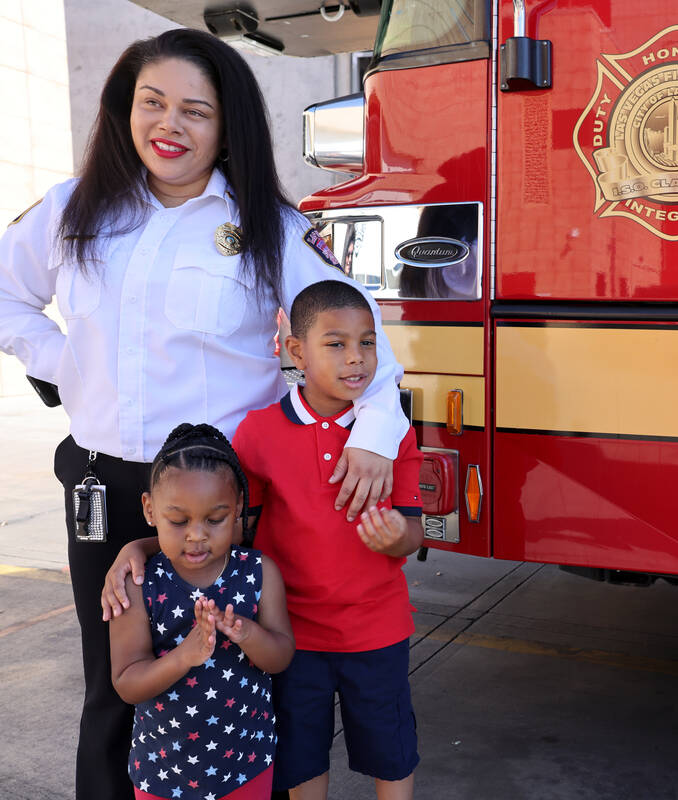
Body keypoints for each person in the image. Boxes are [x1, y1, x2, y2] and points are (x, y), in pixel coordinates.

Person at [0, 29, 407, 800]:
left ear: (227, 129)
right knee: (117, 683)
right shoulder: (72, 210)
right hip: (108, 485)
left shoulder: (268, 228)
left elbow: (365, 338)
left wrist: (378, 438)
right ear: (126, 109)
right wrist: (68, 367)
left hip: (222, 504)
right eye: (152, 103)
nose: (170, 125)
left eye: (196, 111)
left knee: (233, 683)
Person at [107, 281, 425, 798]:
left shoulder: (390, 433)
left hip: (377, 629)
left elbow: (411, 529)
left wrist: (395, 538)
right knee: (301, 754)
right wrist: (139, 547)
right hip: (292, 633)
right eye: (336, 343)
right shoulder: (258, 433)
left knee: (390, 750)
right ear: (296, 351)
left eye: (368, 343)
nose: (357, 358)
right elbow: (220, 523)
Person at [108, 423, 295, 800]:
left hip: (246, 763)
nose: (197, 535)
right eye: (178, 521)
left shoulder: (259, 572)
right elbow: (127, 682)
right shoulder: (139, 583)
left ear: (238, 508)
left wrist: (248, 634)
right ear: (150, 509)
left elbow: (281, 657)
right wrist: (184, 657)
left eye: (215, 519)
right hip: (163, 772)